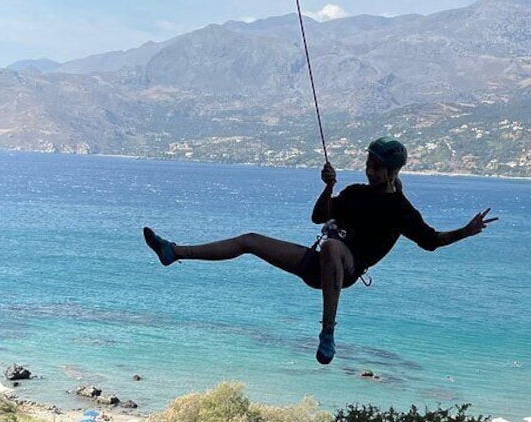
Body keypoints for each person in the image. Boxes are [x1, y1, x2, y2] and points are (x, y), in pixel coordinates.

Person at [143, 136, 497, 365]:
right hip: (317, 263)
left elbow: (431, 241)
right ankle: (174, 252)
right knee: (250, 240)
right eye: (368, 164)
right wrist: (329, 187)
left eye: (374, 166)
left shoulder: (400, 210)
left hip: (346, 268)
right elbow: (318, 216)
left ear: (389, 171)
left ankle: (327, 331)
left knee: (332, 246)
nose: (367, 169)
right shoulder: (356, 193)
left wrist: (466, 232)